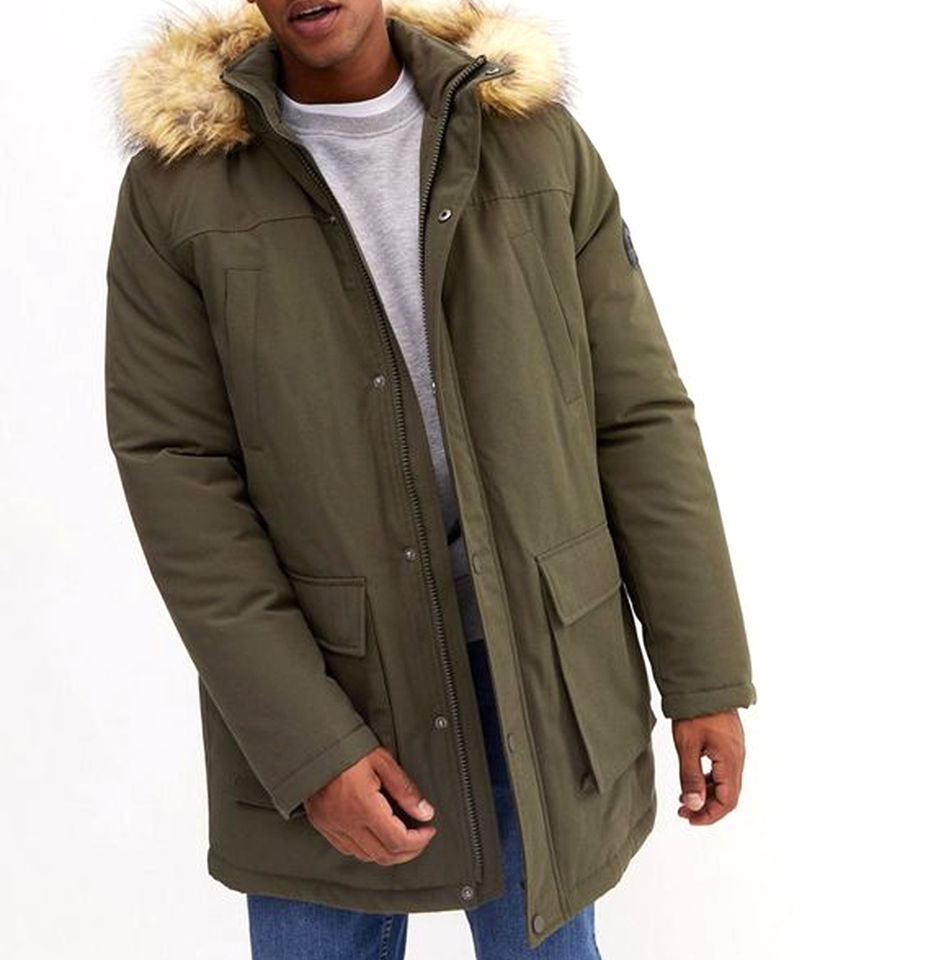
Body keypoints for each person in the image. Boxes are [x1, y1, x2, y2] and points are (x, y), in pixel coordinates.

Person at [104, 1, 757, 957]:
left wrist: (703, 675)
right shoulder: (180, 190)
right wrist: (309, 745)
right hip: (328, 683)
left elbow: (639, 416)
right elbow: (177, 474)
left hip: (537, 669)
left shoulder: (531, 140)